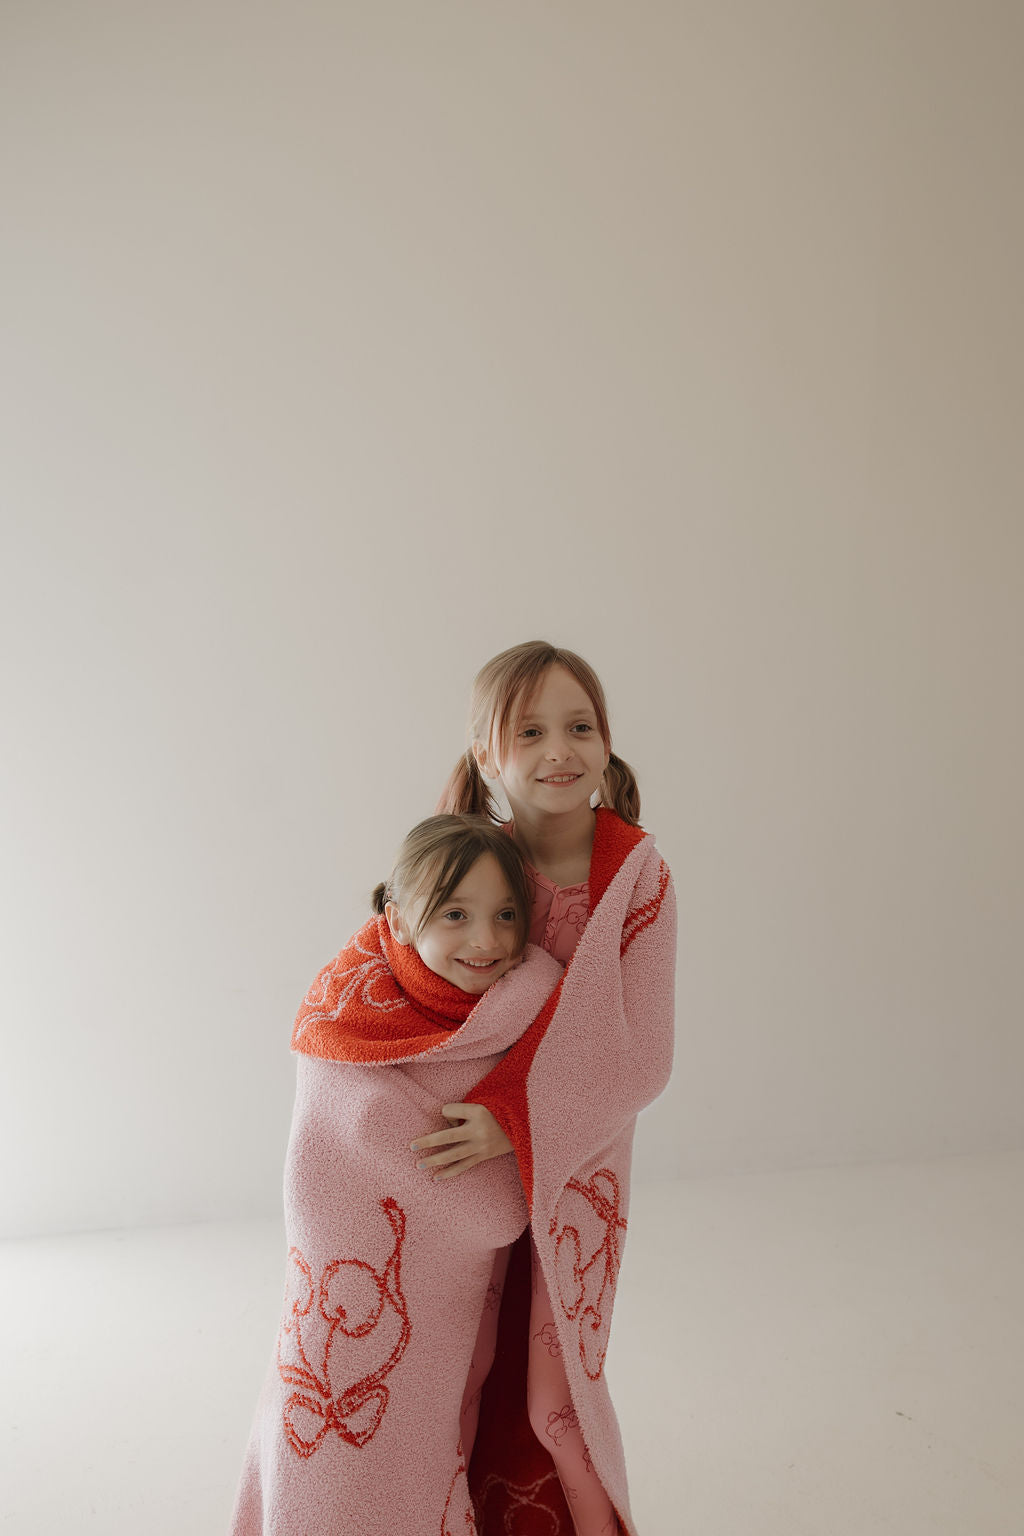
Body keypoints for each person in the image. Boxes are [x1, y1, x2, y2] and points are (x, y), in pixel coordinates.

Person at [229, 814, 563, 1536]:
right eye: (455, 914)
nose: (488, 941)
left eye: (507, 915)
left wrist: (512, 1124)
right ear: (399, 920)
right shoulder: (344, 1015)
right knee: (328, 1445)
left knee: (420, 1444)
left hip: (444, 1324)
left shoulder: (525, 1008)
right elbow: (340, 1162)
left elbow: (571, 1105)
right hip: (344, 1305)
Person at [411, 640, 677, 1536]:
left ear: (607, 743)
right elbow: (407, 973)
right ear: (488, 756)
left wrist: (514, 1120)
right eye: (530, 732)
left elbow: (642, 1059)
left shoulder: (637, 878)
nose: (559, 750)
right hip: (461, 1165)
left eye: (579, 727)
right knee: (457, 1369)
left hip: (571, 1164)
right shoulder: (470, 863)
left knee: (551, 1394)